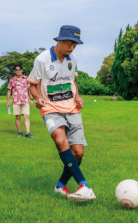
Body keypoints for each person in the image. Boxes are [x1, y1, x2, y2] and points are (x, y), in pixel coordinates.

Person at [28, 25, 96, 202]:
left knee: (78, 153)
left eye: (75, 45)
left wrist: (78, 97)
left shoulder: (72, 59)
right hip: (50, 108)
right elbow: (33, 84)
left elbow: (72, 81)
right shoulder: (41, 60)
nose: (72, 48)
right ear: (59, 40)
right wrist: (37, 98)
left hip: (72, 108)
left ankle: (60, 185)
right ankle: (84, 185)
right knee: (60, 139)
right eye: (69, 43)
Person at [6, 64, 35, 139]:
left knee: (27, 116)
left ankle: (28, 133)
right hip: (16, 101)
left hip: (25, 100)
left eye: (19, 69)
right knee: (17, 117)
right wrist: (7, 102)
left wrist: (31, 99)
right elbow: (9, 91)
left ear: (22, 70)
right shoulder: (12, 79)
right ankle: (19, 132)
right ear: (14, 71)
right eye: (16, 70)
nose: (18, 71)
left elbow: (29, 90)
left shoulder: (26, 78)